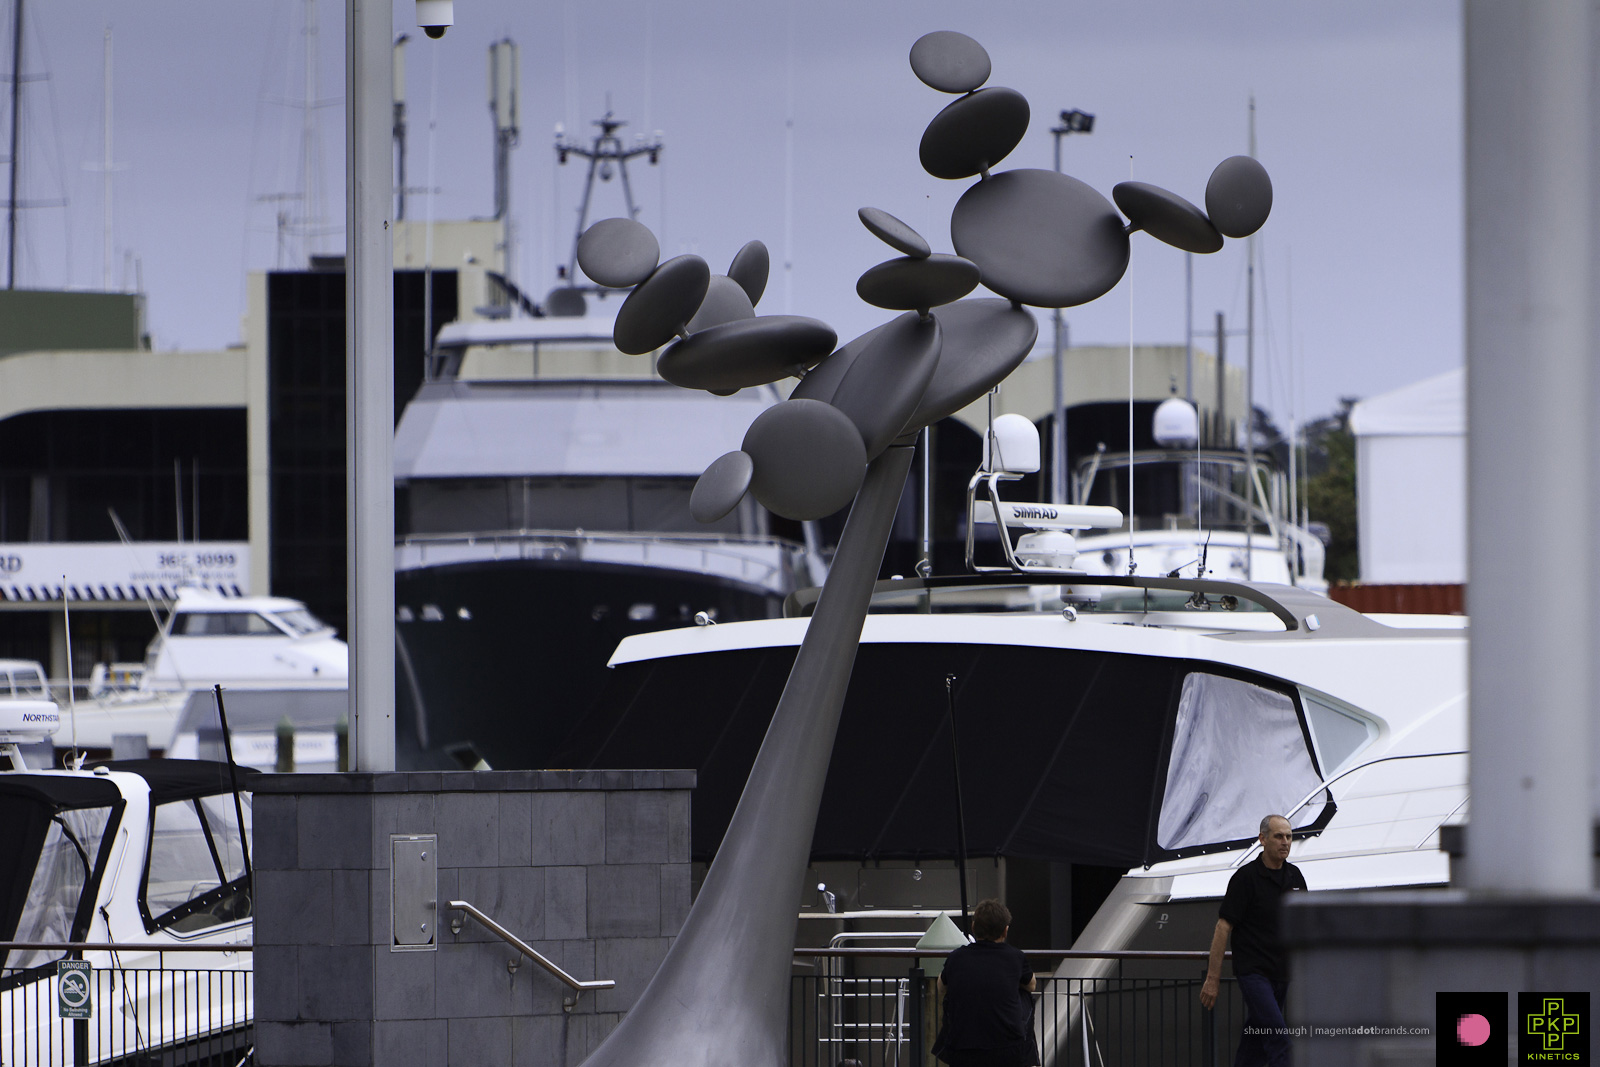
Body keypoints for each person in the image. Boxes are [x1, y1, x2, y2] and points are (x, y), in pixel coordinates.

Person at [1200, 814, 1308, 1067]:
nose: (1285, 842)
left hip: (1283, 973)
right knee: (1280, 1041)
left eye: (1289, 837)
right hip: (1254, 973)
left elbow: (1305, 924)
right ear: (1263, 839)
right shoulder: (1245, 878)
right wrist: (1212, 980)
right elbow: (1222, 927)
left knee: (1256, 1042)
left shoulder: (1295, 877)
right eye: (1278, 836)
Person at [935, 898, 1038, 1067]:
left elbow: (941, 987)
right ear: (1005, 931)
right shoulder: (1015, 957)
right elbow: (1032, 985)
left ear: (974, 928)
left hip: (963, 1046)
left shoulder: (957, 957)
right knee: (1024, 996)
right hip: (1007, 1047)